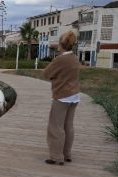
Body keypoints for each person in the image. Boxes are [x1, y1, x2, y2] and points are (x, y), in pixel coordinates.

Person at [43, 31, 80, 165]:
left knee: (56, 127)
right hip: (74, 95)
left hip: (62, 96)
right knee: (68, 126)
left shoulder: (60, 59)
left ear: (60, 45)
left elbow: (46, 73)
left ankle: (56, 157)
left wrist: (55, 77)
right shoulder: (75, 58)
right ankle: (67, 154)